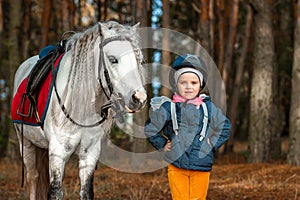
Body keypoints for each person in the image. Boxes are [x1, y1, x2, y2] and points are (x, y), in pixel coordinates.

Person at [144, 54, 231, 200]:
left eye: (193, 82)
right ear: (176, 84)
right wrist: (162, 143)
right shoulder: (169, 107)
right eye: (183, 82)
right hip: (176, 165)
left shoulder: (207, 107)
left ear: (200, 85)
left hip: (201, 165)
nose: (188, 87)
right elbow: (150, 127)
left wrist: (212, 143)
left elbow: (225, 126)